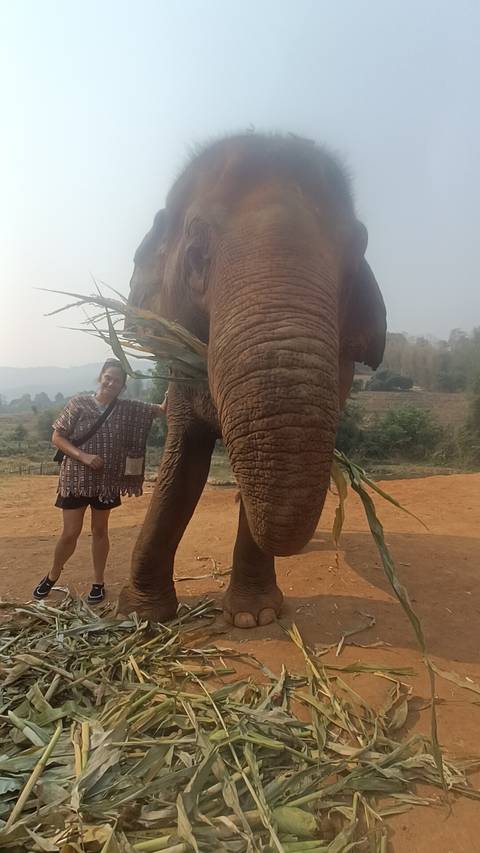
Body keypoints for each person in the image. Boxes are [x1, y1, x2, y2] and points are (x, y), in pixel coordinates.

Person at [33, 358, 167, 603]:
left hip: (107, 482)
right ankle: (53, 574)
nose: (111, 383)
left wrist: (175, 383)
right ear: (100, 377)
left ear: (122, 387)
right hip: (76, 478)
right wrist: (83, 456)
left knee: (100, 530)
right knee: (70, 533)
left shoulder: (127, 408)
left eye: (117, 381)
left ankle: (98, 582)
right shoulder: (79, 403)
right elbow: (57, 437)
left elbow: (159, 409)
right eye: (108, 377)